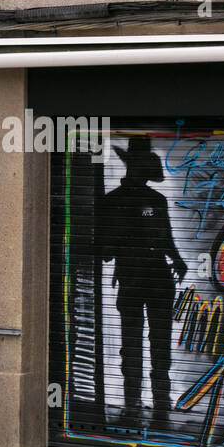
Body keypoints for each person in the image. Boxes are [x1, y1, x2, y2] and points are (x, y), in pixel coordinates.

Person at [97, 135, 186, 429]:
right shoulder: (114, 202)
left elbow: (166, 239)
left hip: (153, 278)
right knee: (136, 344)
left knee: (152, 343)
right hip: (139, 279)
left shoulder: (147, 201)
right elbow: (106, 250)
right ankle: (138, 402)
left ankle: (155, 402)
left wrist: (177, 260)